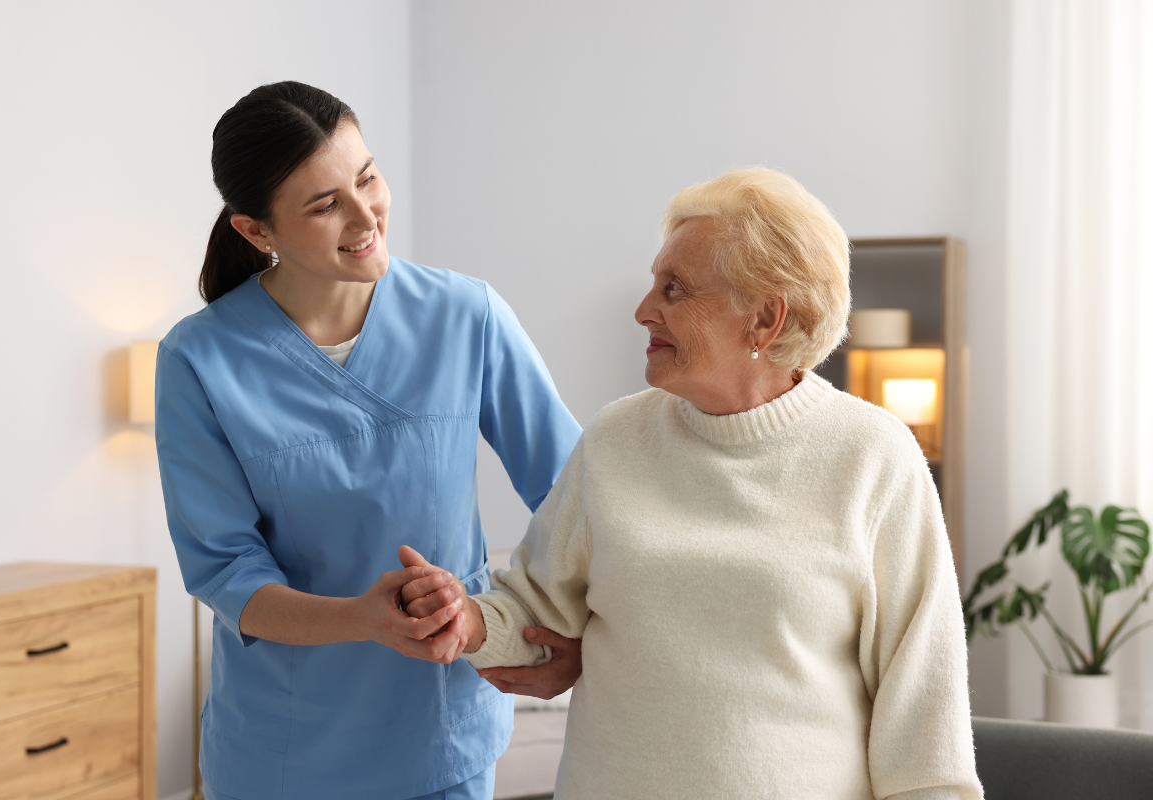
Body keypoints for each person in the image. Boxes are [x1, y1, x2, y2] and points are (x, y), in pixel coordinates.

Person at [401, 168, 983, 799]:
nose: (643, 309)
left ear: (763, 318)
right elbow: (537, 611)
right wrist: (468, 619)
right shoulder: (615, 440)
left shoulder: (874, 456)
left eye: (674, 289)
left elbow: (924, 711)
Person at [155, 81, 583, 800]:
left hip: (442, 737)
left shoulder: (465, 315)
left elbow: (576, 496)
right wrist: (360, 619)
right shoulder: (199, 360)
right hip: (283, 754)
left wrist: (547, 627)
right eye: (324, 205)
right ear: (257, 232)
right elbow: (227, 573)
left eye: (367, 178)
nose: (366, 216)